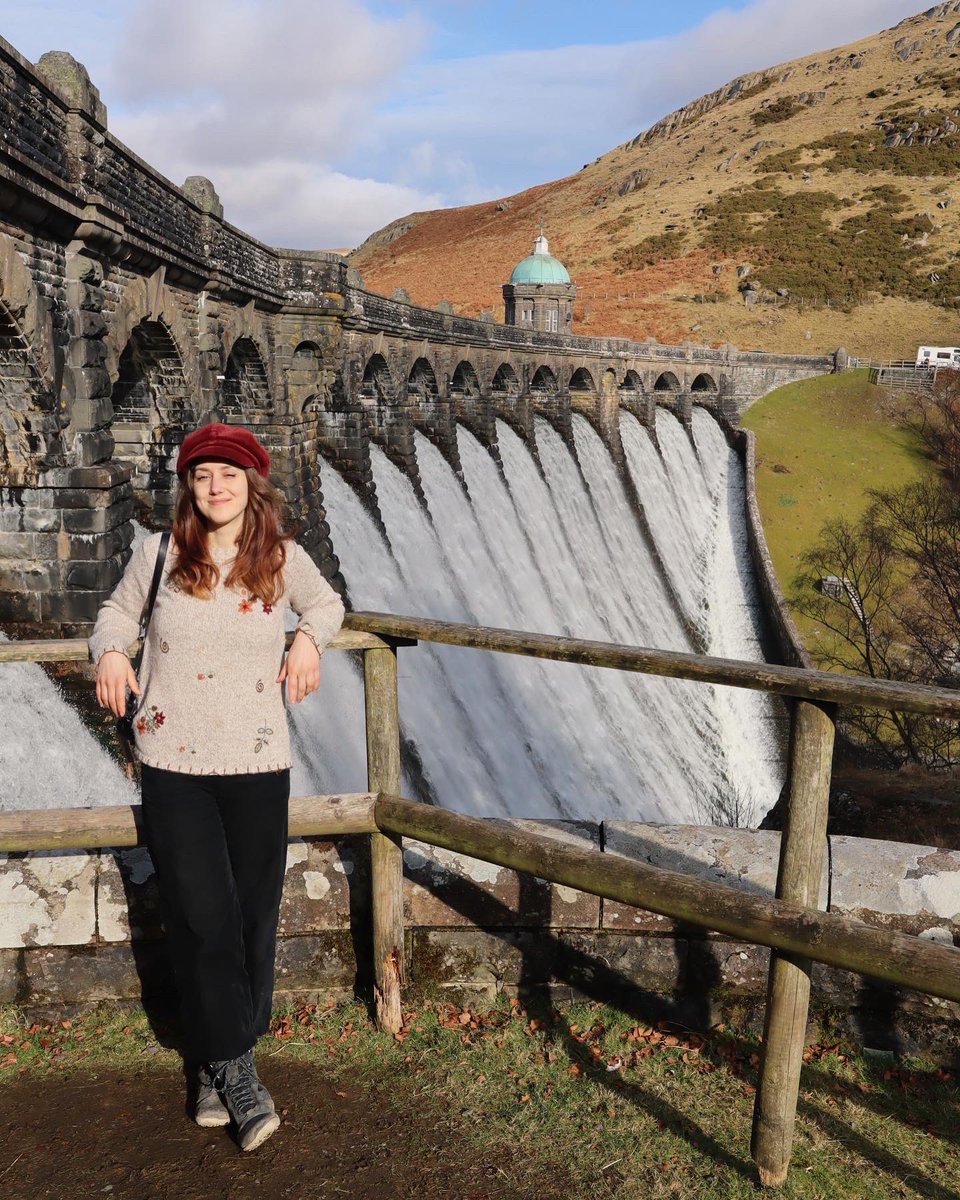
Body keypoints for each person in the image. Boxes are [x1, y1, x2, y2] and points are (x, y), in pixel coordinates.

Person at [90, 422, 345, 1152]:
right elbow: (114, 612)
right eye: (202, 476)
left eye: (229, 475)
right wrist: (110, 650)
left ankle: (214, 1059)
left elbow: (328, 606)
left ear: (252, 484)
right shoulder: (160, 552)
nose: (216, 487)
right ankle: (237, 1069)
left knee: (254, 917)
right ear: (189, 487)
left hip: (258, 763)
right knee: (202, 916)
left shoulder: (281, 559)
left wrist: (306, 639)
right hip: (174, 765)